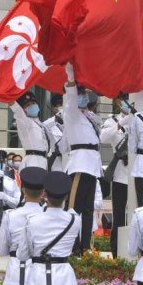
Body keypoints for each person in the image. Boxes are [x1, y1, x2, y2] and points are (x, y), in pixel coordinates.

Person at [17, 171, 81, 285]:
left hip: (39, 280)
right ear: (66, 196)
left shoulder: (32, 220)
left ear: (44, 194)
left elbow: (22, 255)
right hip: (64, 281)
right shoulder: (75, 220)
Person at [62, 63, 102, 253]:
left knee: (87, 210)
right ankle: (72, 245)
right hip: (79, 165)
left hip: (92, 166)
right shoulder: (71, 113)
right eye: (80, 93)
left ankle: (85, 247)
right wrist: (71, 72)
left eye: (84, 93)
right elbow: (70, 95)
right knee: (73, 208)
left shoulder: (90, 116)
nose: (83, 96)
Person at [0, 167, 48, 285]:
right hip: (41, 275)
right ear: (43, 192)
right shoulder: (47, 216)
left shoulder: (11, 215)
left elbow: (1, 251)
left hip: (15, 274)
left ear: (23, 189)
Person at [100, 94, 131, 258]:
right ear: (119, 102)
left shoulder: (140, 119)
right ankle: (117, 252)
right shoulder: (112, 120)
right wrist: (120, 124)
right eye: (126, 101)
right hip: (120, 174)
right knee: (119, 216)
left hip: (136, 174)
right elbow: (103, 138)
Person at [10, 92, 54, 170]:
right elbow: (17, 110)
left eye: (33, 103)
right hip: (32, 162)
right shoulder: (24, 123)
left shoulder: (41, 125)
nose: (32, 106)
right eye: (27, 105)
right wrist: (9, 98)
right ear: (23, 110)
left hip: (44, 161)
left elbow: (53, 120)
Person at [43, 93, 65, 172]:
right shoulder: (49, 123)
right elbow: (43, 127)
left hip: (70, 159)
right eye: (60, 105)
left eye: (64, 104)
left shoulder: (72, 122)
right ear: (54, 109)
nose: (63, 107)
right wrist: (56, 119)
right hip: (56, 160)